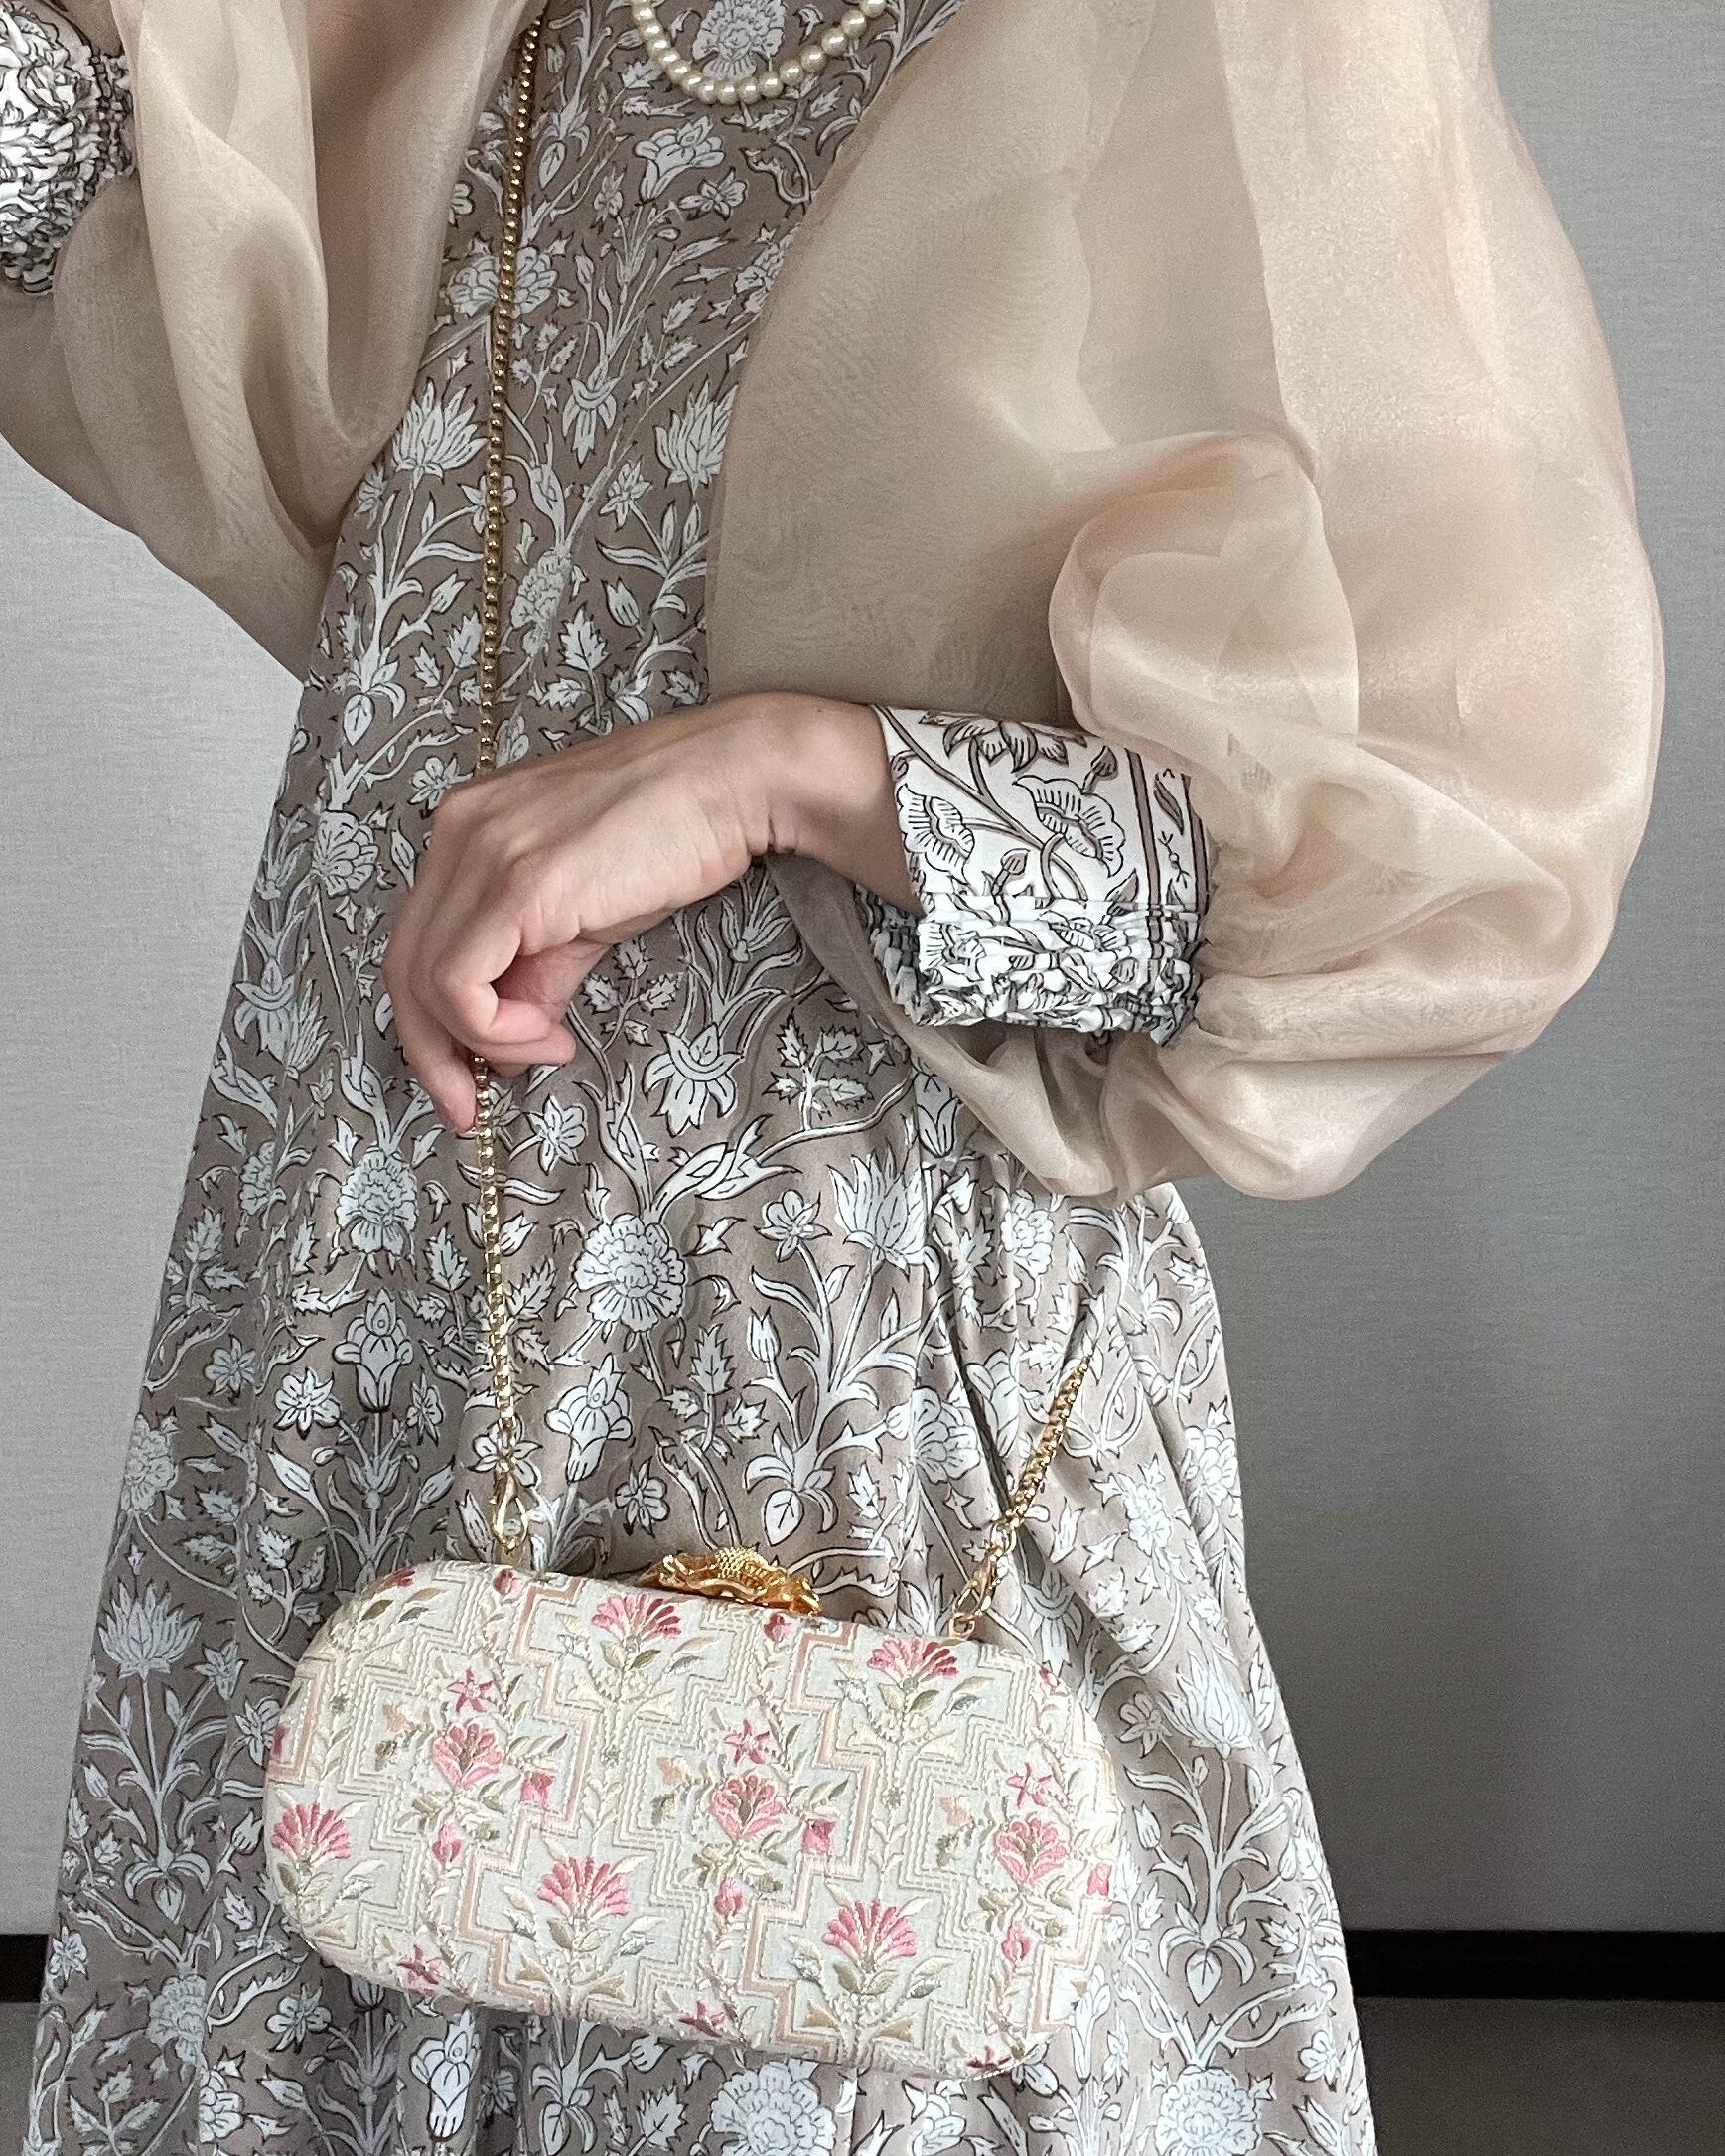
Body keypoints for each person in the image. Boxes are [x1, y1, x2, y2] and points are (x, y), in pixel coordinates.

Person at [0, 3, 1661, 2153]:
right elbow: (112, 203)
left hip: (840, 1376)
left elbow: (1387, 902)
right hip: (382, 1288)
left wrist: (780, 768)